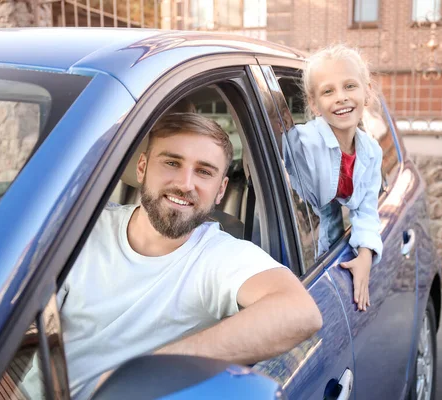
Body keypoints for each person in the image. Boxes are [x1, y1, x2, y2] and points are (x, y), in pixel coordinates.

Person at [56, 112, 323, 399]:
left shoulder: (220, 256)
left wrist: (150, 369)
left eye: (204, 172)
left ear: (220, 190)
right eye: (172, 163)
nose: (185, 184)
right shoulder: (82, 230)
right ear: (143, 167)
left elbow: (300, 312)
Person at [284, 44, 384, 312]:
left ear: (367, 92)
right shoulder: (303, 143)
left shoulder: (371, 152)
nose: (341, 97)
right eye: (328, 91)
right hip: (301, 260)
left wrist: (365, 256)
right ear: (314, 105)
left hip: (330, 256)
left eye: (350, 86)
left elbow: (366, 210)